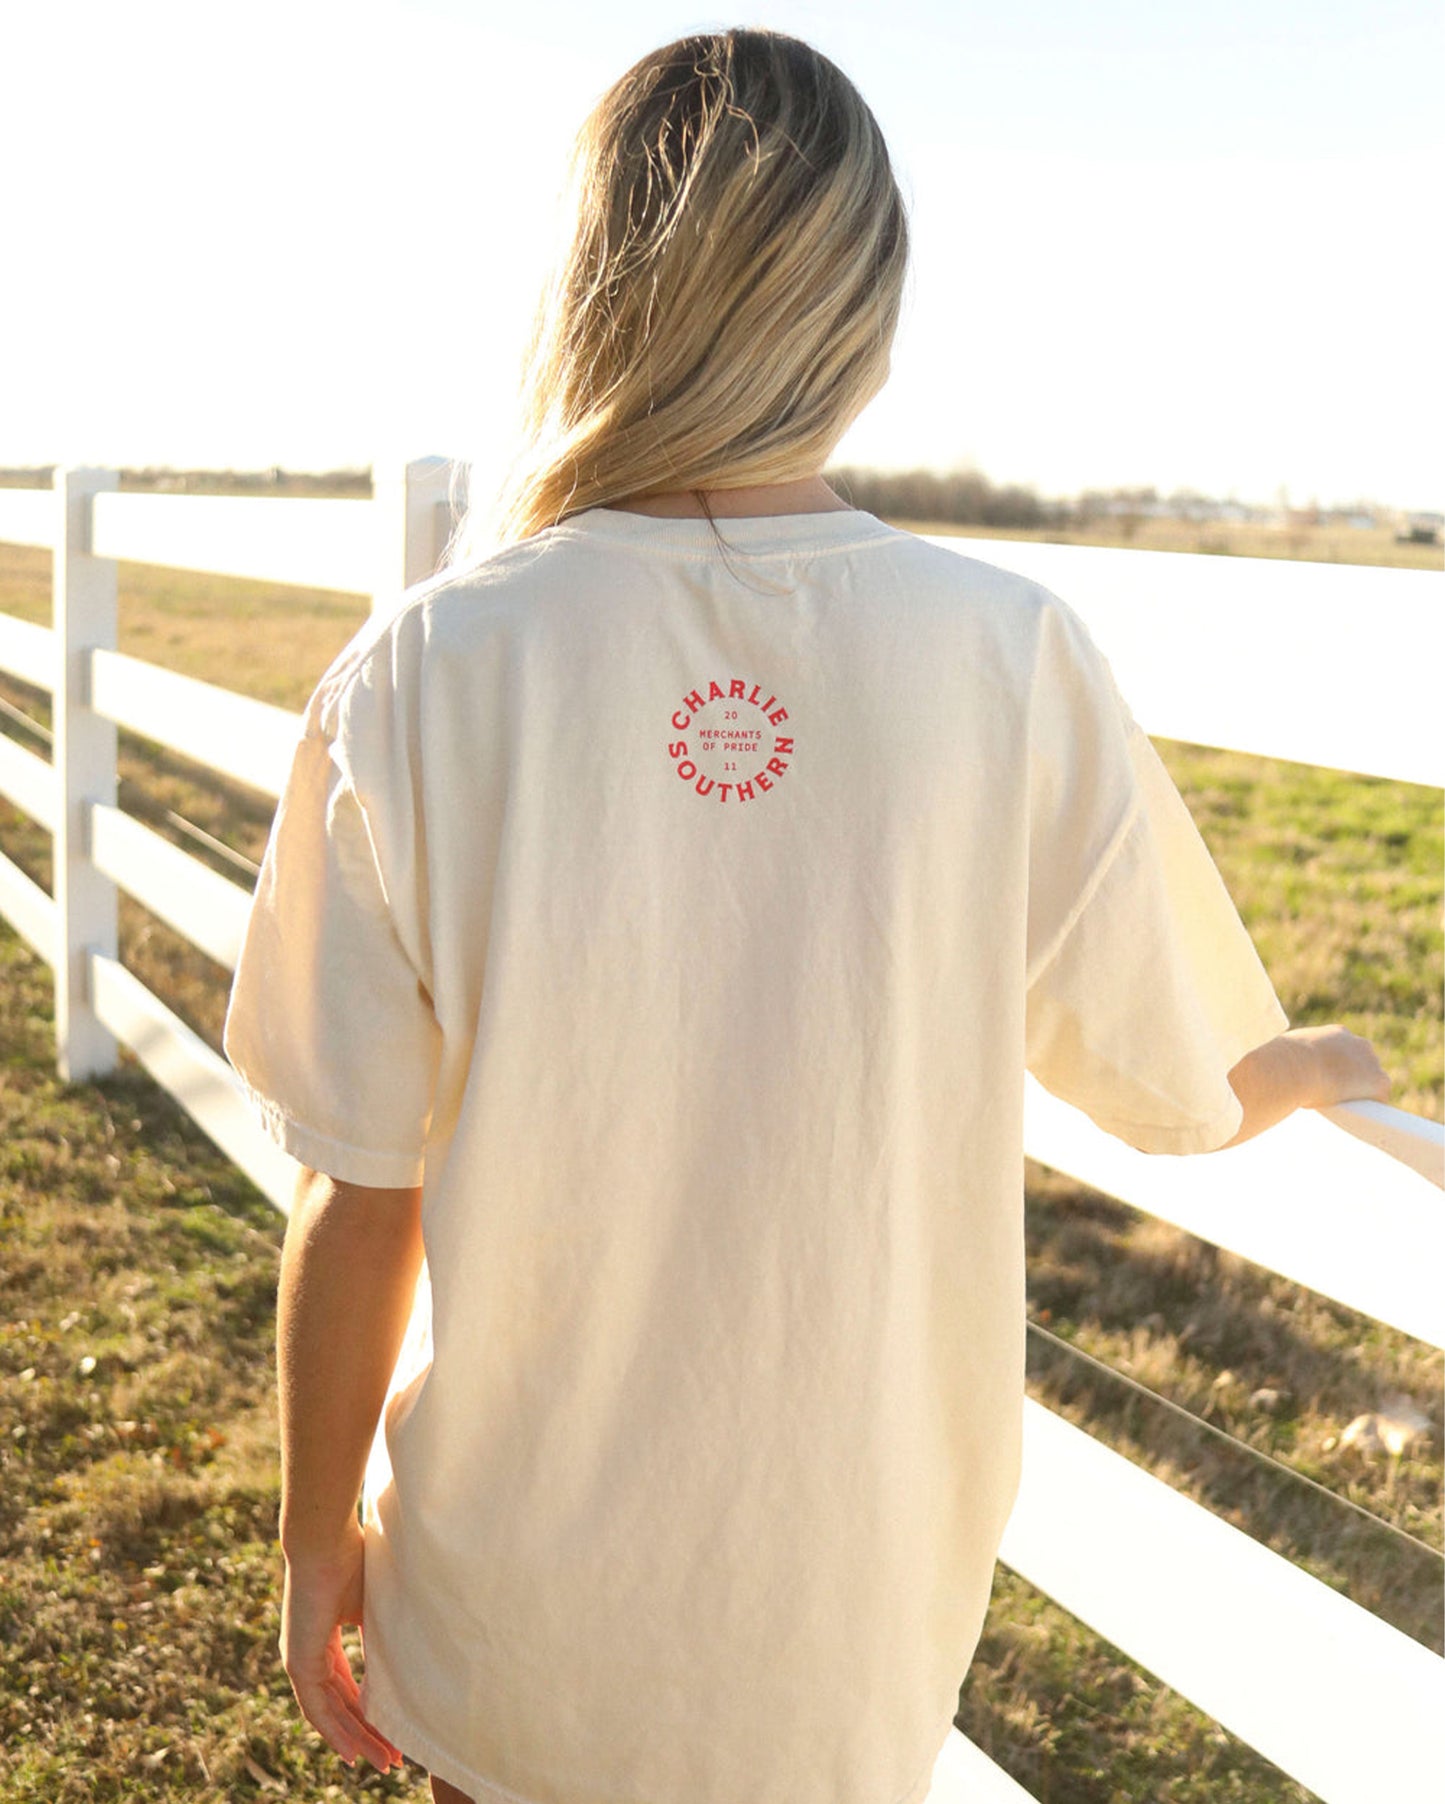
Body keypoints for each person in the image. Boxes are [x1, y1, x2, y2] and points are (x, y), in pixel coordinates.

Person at [222, 28, 1389, 1804]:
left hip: (506, 1593)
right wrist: (1308, 1063)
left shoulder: (427, 672)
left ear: (584, 294)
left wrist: (316, 1545)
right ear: (861, 309)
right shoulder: (1004, 655)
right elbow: (1184, 1085)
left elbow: (355, 1191)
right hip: (840, 1614)